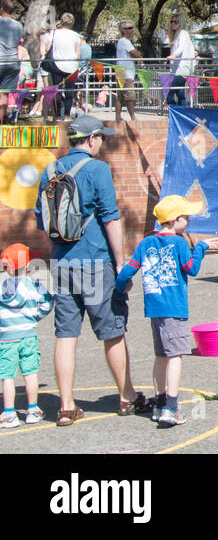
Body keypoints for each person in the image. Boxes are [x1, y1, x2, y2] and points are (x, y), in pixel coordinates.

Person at [35, 115, 151, 425]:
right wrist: (121, 262)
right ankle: (127, 397)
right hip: (96, 260)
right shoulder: (97, 169)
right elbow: (112, 218)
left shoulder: (48, 171)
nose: (101, 143)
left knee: (66, 334)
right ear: (90, 139)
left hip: (62, 261)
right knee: (112, 331)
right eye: (100, 138)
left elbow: (43, 224)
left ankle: (66, 406)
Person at [113, 196, 209, 426]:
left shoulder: (146, 243)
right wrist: (201, 249)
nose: (188, 220)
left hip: (155, 309)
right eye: (185, 217)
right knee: (175, 355)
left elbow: (128, 270)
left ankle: (159, 402)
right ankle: (172, 407)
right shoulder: (179, 244)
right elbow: (192, 269)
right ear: (175, 221)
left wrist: (119, 288)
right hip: (175, 308)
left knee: (161, 355)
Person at [0, 244, 52, 426]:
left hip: (6, 338)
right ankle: (32, 410)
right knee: (30, 372)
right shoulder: (34, 285)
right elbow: (47, 304)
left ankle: (9, 413)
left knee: (7, 376)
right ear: (28, 266)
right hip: (28, 335)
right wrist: (35, 317)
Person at [48, 13, 82, 118]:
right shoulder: (76, 35)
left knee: (56, 91)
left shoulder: (54, 33)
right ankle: (67, 115)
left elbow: (47, 48)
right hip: (72, 66)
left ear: (61, 21)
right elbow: (78, 53)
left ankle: (58, 115)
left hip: (57, 65)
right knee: (69, 91)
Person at [115, 21, 143, 122]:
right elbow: (134, 53)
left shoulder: (122, 41)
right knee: (129, 95)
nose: (132, 30)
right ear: (123, 30)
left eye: (132, 27)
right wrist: (139, 54)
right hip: (125, 73)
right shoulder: (124, 41)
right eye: (129, 28)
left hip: (121, 71)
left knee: (121, 96)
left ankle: (118, 117)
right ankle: (133, 117)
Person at [0, 0, 22, 125]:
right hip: (12, 63)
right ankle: (1, 122)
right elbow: (19, 42)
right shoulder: (19, 25)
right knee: (3, 95)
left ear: (1, 8)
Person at [165, 14, 195, 107]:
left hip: (182, 70)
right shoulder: (176, 35)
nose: (173, 24)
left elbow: (181, 47)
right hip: (176, 70)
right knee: (180, 95)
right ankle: (181, 113)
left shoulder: (183, 33)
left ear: (180, 23)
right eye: (172, 21)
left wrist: (173, 55)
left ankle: (177, 111)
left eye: (176, 22)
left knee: (169, 94)